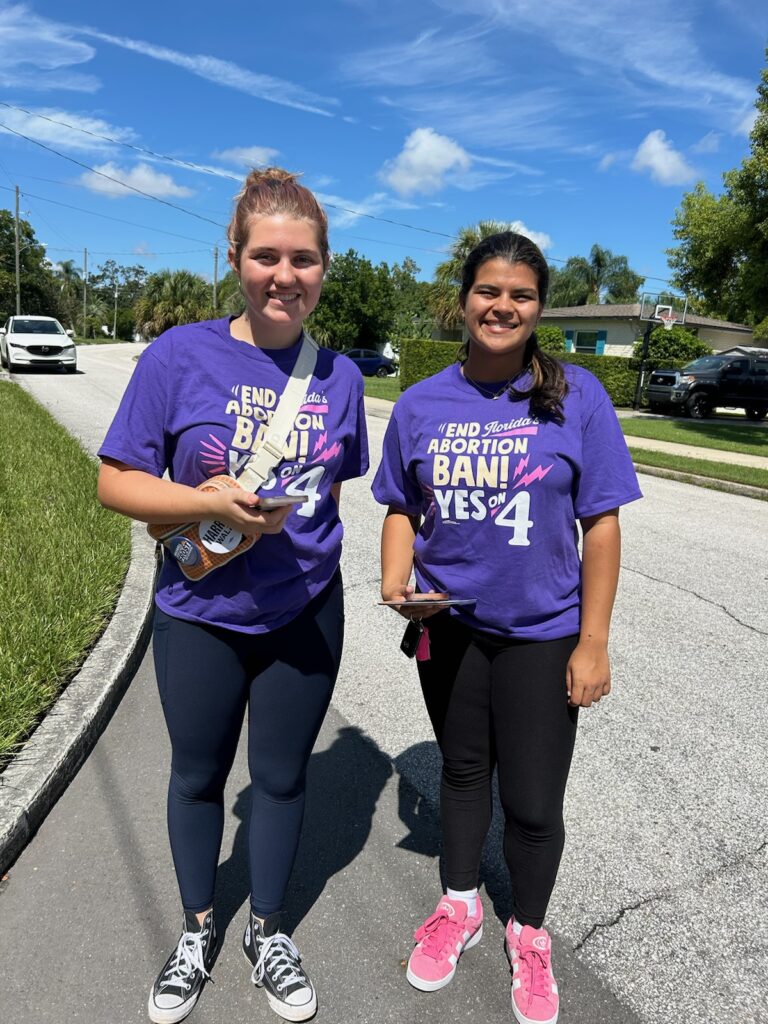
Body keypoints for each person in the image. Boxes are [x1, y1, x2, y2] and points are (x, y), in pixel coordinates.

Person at [97, 168, 368, 1024]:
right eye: (266, 257)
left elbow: (336, 484)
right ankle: (198, 926)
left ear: (326, 266)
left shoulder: (344, 380)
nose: (284, 275)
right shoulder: (180, 354)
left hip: (304, 612)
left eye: (304, 258)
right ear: (235, 259)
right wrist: (207, 504)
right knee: (197, 776)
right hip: (199, 617)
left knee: (283, 781)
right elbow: (116, 483)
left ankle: (270, 930)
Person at [372, 231, 641, 1024]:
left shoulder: (578, 396)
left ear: (538, 306)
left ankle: (528, 931)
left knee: (530, 801)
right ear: (464, 299)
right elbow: (399, 505)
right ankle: (459, 906)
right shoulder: (422, 402)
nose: (503, 305)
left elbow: (604, 524)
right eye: (489, 290)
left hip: (543, 633)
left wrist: (593, 641)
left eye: (521, 294)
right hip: (448, 630)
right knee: (459, 774)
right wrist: (396, 580)